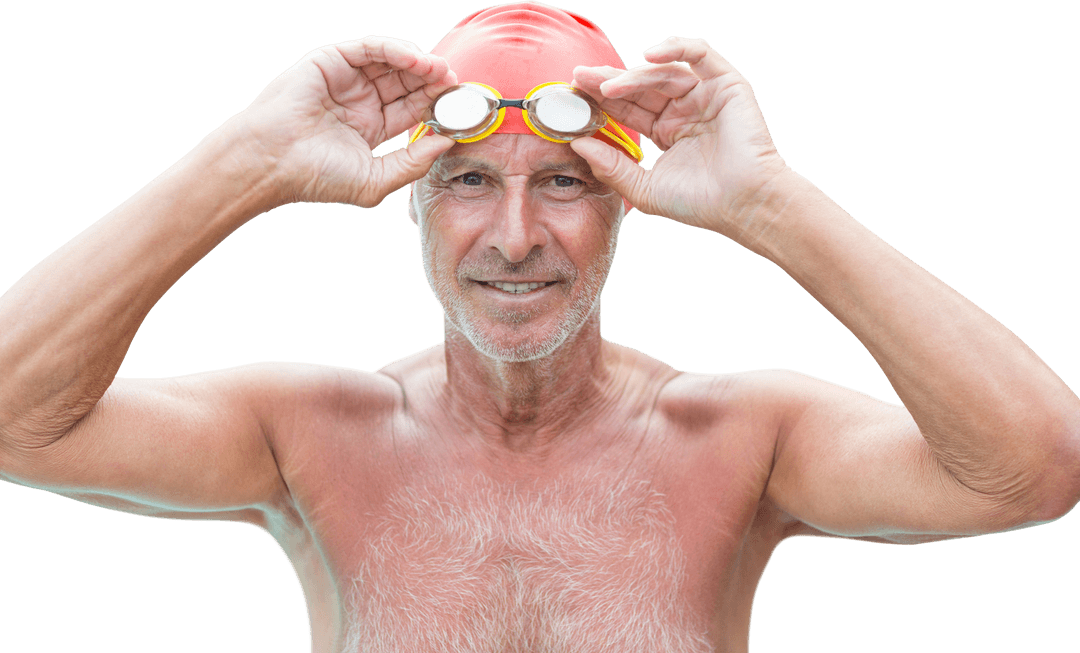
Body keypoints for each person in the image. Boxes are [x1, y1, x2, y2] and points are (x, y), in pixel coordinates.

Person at [1, 1, 1077, 651]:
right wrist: (247, 161)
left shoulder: (741, 440)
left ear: (627, 202)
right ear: (411, 198)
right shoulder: (309, 436)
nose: (515, 235)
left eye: (563, 180)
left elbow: (1034, 466)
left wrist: (768, 201)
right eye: (467, 178)